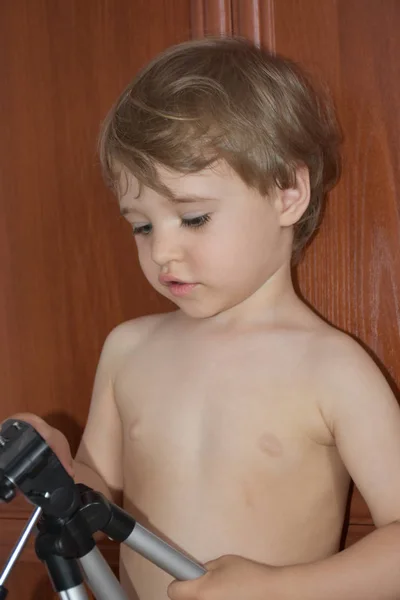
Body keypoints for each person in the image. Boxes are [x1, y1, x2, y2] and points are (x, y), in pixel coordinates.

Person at [6, 37, 400, 600]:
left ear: (288, 192)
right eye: (142, 226)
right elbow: (97, 494)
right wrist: (54, 468)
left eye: (192, 218)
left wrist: (279, 589)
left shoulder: (331, 368)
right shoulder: (128, 350)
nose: (162, 251)